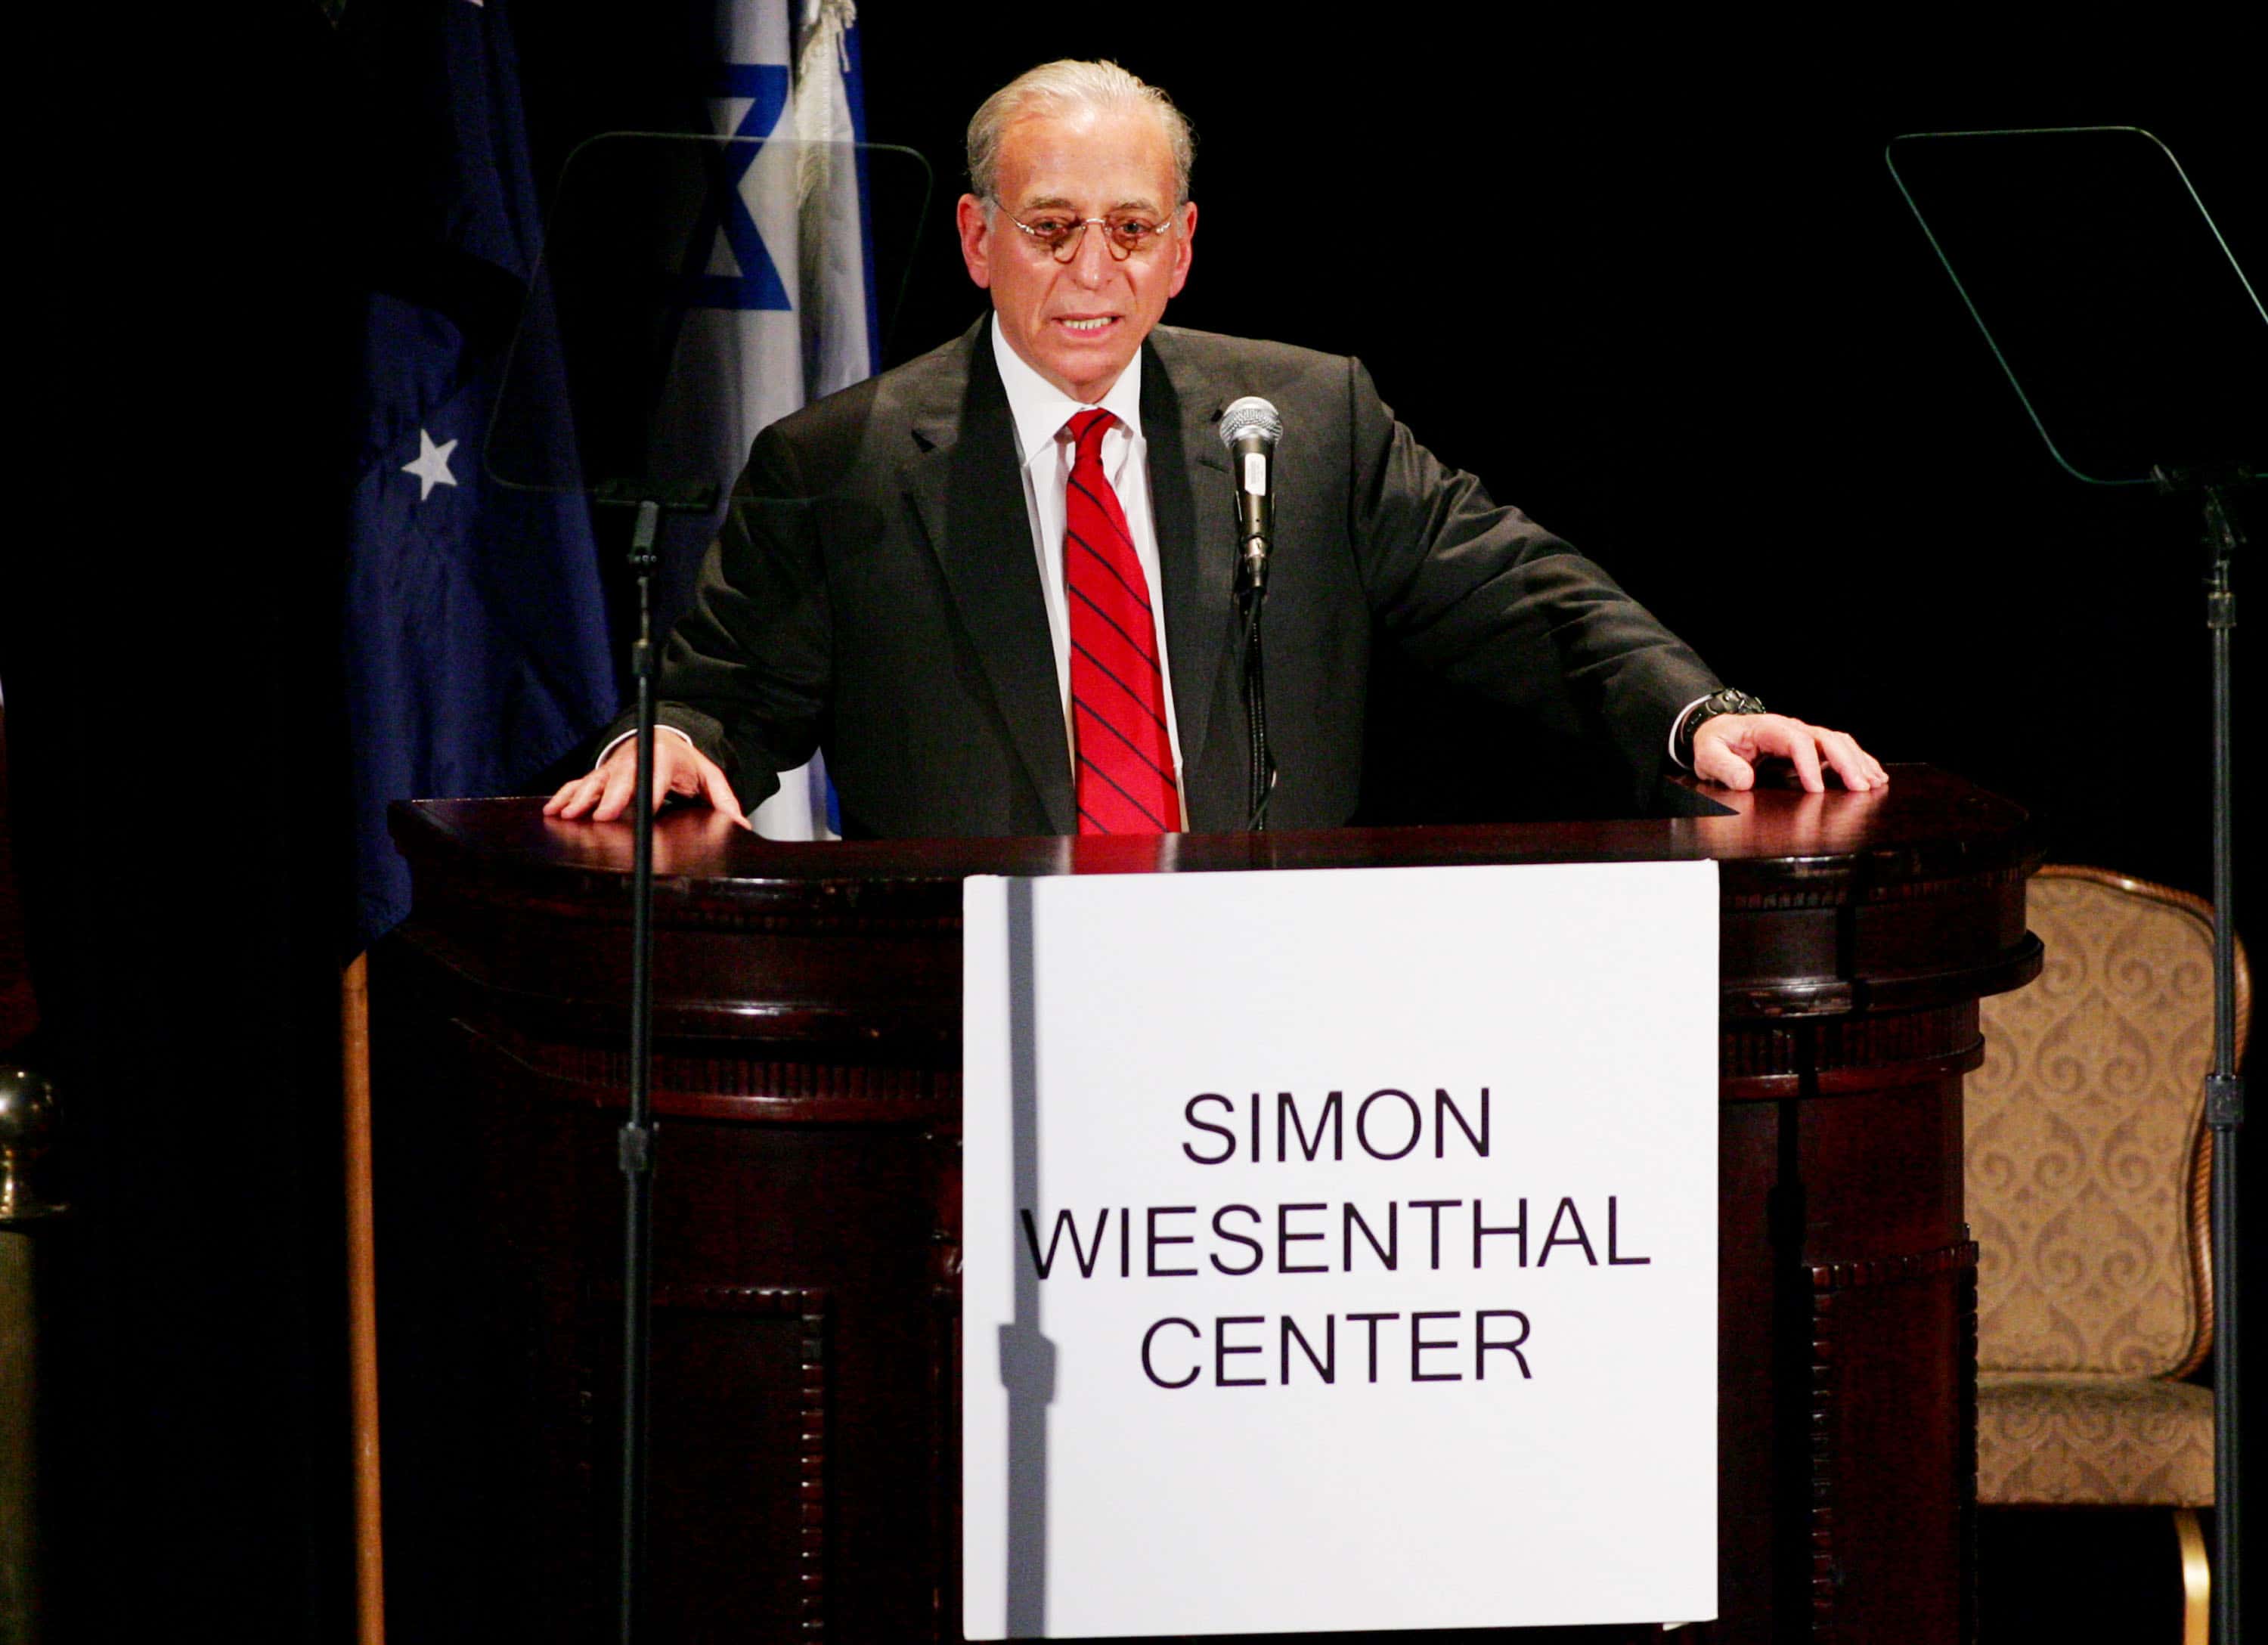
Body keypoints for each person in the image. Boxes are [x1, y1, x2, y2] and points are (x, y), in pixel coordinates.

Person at [547, 60, 1884, 835]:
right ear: (977, 242)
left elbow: (1523, 598)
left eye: (1130, 229)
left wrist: (1702, 710)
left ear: (1181, 250)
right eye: (1051, 226)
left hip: (1271, 1019)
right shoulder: (842, 465)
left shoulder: (1307, 422)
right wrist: (658, 742)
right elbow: (719, 699)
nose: (1092, 270)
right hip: (972, 1021)